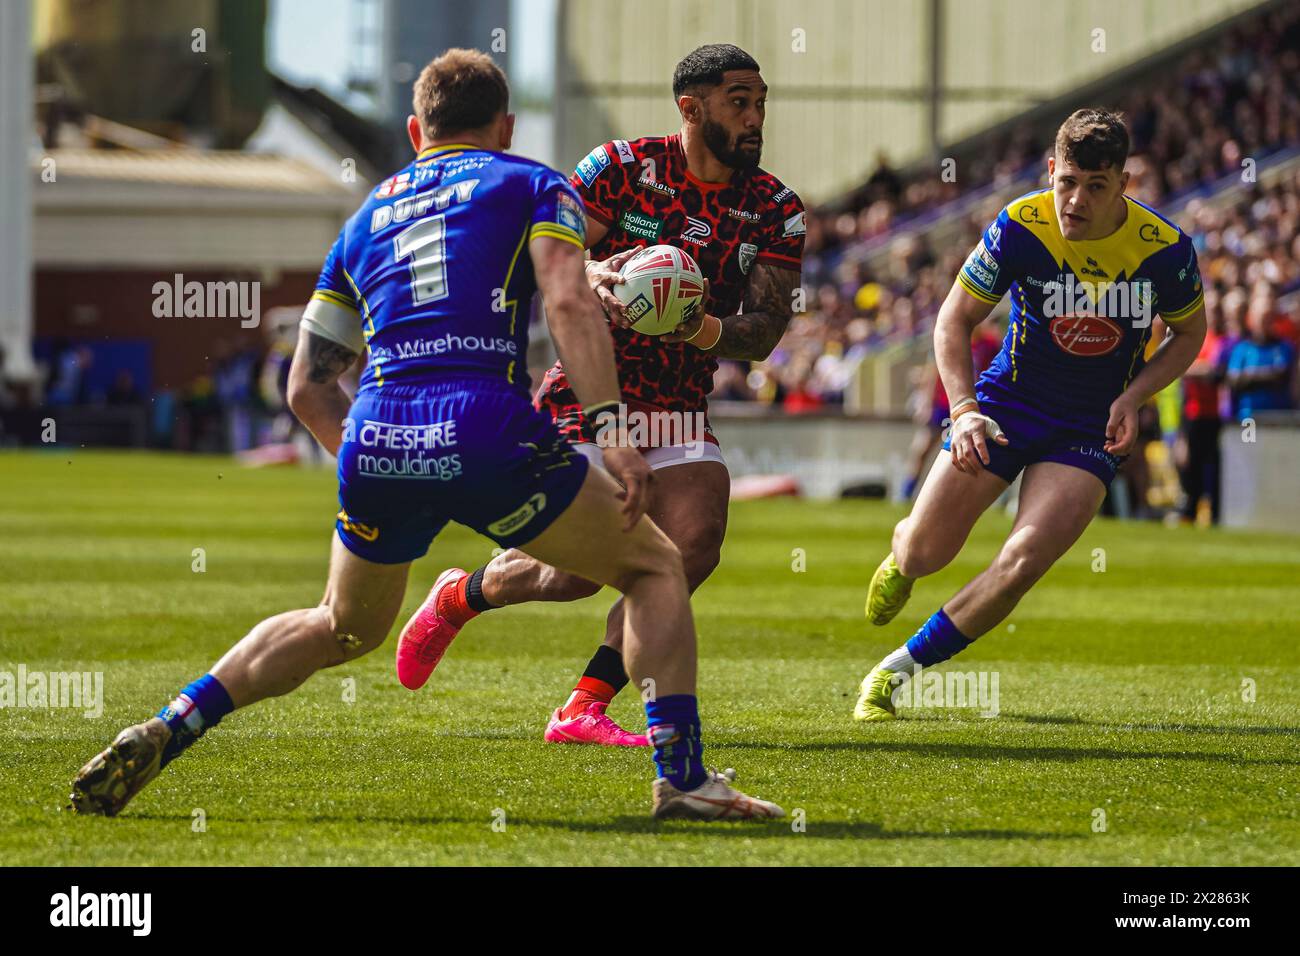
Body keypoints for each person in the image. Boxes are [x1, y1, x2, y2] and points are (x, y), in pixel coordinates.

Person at [70, 48, 782, 822]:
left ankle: (172, 724)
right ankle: (681, 782)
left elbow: (305, 386)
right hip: (484, 421)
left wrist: (376, 466)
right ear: (505, 127)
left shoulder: (366, 216)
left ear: (417, 130)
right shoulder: (530, 182)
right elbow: (571, 305)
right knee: (655, 568)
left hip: (376, 429)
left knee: (339, 627)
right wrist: (611, 432)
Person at [395, 44, 806, 748]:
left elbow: (763, 331)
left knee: (695, 543)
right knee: (577, 574)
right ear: (691, 107)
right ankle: (460, 597)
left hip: (679, 400)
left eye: (760, 102)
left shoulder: (775, 207)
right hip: (591, 393)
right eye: (739, 101)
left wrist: (696, 324)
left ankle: (583, 706)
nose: (754, 117)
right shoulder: (620, 168)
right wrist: (600, 275)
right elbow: (550, 260)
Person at [856, 108, 1207, 720]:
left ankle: (896, 671)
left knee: (1021, 563)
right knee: (924, 552)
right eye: (1067, 181)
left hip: (1088, 428)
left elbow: (1189, 334)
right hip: (1004, 406)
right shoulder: (1021, 223)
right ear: (1051, 170)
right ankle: (903, 556)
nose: (1075, 201)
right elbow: (953, 320)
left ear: (1123, 184)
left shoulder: (1165, 250)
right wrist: (963, 411)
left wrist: (1134, 396)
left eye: (1096, 187)